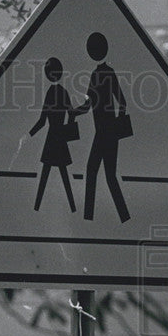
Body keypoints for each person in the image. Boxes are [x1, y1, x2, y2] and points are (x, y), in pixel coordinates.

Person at [71, 31, 130, 223]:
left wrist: (116, 127)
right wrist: (74, 112)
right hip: (104, 132)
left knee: (100, 173)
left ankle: (93, 217)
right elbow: (93, 104)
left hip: (106, 133)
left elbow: (120, 101)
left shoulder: (102, 74)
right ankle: (114, 217)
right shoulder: (98, 73)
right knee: (102, 174)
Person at [28, 56, 77, 213]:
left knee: (46, 174)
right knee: (62, 174)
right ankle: (72, 207)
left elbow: (42, 121)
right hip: (60, 137)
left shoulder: (51, 92)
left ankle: (36, 207)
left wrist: (28, 135)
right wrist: (69, 127)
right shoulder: (63, 92)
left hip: (52, 137)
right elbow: (72, 113)